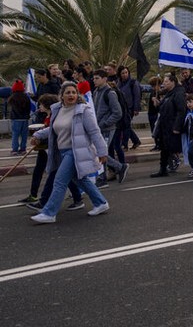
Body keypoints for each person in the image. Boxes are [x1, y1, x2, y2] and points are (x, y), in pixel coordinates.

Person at [28, 82, 111, 224]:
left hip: (76, 151)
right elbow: (53, 129)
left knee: (59, 181)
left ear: (77, 94)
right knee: (80, 180)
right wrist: (39, 135)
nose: (71, 95)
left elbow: (95, 132)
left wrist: (103, 152)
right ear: (62, 95)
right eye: (68, 92)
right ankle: (101, 203)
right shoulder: (57, 110)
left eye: (74, 92)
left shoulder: (83, 110)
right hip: (62, 151)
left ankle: (49, 213)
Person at [92, 69, 129, 185]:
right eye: (93, 78)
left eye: (97, 78)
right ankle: (119, 168)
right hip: (99, 128)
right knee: (99, 152)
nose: (94, 81)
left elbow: (117, 112)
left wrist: (106, 123)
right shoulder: (96, 92)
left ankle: (103, 178)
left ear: (104, 79)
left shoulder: (110, 93)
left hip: (107, 129)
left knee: (101, 152)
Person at [150, 72, 186, 177]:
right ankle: (163, 169)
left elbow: (181, 111)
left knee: (171, 147)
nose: (164, 84)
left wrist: (177, 126)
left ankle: (177, 163)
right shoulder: (168, 93)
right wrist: (158, 104)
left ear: (173, 82)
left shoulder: (178, 93)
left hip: (171, 125)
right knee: (164, 147)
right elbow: (164, 107)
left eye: (166, 81)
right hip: (164, 125)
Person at [117, 65, 143, 150]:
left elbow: (137, 96)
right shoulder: (119, 83)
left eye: (126, 73)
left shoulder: (133, 82)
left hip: (130, 108)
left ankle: (124, 144)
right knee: (126, 126)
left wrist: (136, 108)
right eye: (122, 73)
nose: (124, 75)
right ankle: (136, 141)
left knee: (126, 126)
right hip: (122, 108)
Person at [8, 79, 32, 153]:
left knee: (15, 134)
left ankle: (14, 149)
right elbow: (29, 108)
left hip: (15, 119)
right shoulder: (26, 97)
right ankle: (23, 149)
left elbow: (11, 108)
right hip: (25, 119)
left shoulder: (12, 98)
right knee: (24, 135)